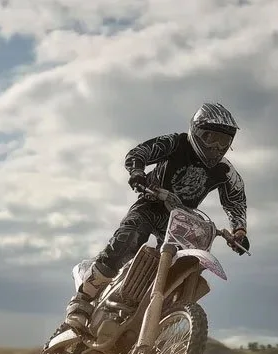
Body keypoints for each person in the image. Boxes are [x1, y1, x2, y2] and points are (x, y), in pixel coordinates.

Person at [63, 102, 251, 334]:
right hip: (151, 203)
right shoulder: (176, 143)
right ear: (196, 131)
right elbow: (140, 152)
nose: (215, 146)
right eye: (209, 137)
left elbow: (236, 199)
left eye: (223, 141)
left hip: (181, 219)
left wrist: (239, 231)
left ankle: (147, 316)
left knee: (178, 266)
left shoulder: (225, 171)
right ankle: (82, 300)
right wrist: (137, 172)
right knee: (128, 240)